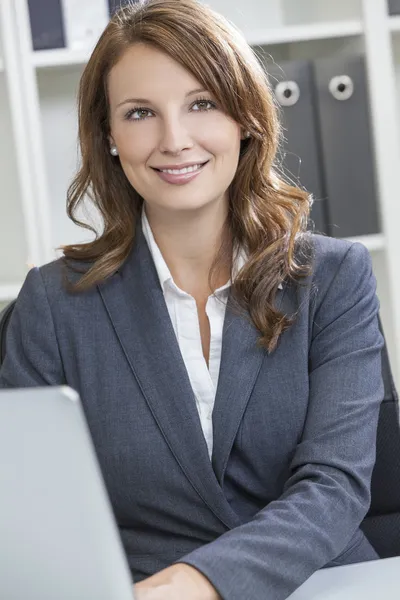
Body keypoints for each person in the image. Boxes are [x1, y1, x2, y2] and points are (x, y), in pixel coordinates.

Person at [0, 0, 385, 598]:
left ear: (245, 118)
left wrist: (205, 579)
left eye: (201, 103)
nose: (174, 140)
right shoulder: (53, 303)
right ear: (108, 135)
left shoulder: (333, 278)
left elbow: (334, 486)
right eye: (140, 113)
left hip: (324, 584)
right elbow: (33, 508)